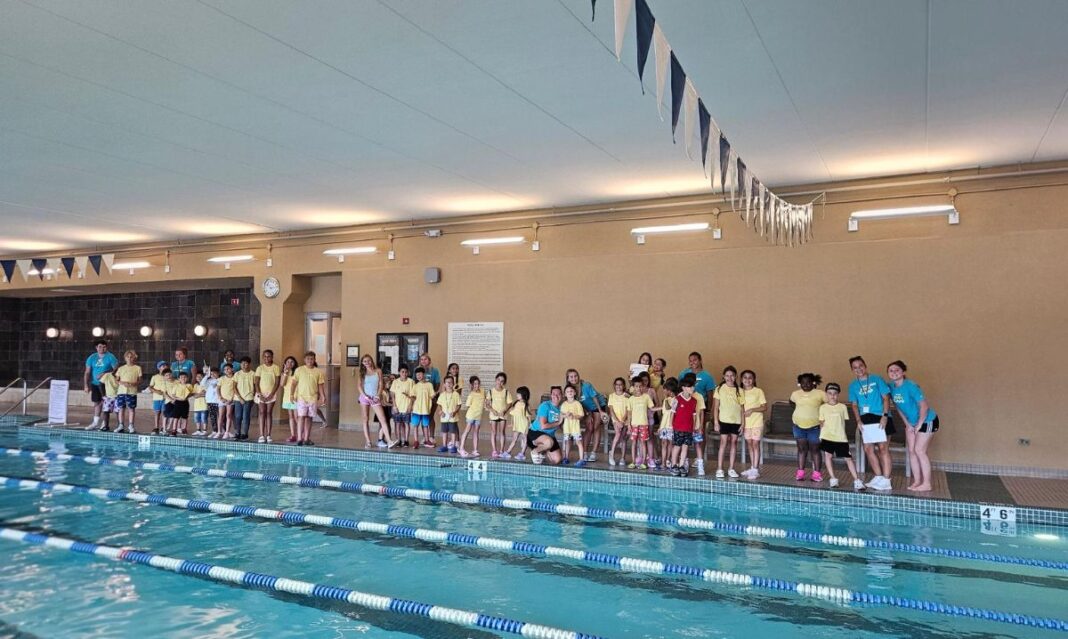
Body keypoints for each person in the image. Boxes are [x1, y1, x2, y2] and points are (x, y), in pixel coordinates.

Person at [887, 361, 939, 492]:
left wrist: (919, 424)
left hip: (927, 420)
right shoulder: (891, 387)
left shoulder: (910, 386)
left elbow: (924, 406)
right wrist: (908, 424)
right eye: (891, 370)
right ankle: (917, 481)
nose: (894, 372)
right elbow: (898, 408)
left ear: (903, 372)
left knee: (919, 451)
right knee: (911, 451)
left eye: (897, 370)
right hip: (911, 422)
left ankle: (927, 483)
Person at [848, 356, 894, 491]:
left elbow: (886, 398)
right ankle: (878, 476)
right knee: (868, 449)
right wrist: (858, 420)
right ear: (852, 370)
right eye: (855, 367)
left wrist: (885, 416)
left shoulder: (877, 379)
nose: (859, 369)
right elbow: (855, 405)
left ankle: (886, 480)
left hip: (880, 417)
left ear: (865, 365)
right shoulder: (853, 385)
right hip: (865, 419)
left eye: (861, 366)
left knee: (883, 448)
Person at [819, 383, 864, 490]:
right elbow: (821, 422)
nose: (832, 395)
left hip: (840, 437)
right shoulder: (823, 407)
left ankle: (857, 480)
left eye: (835, 393)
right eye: (830, 393)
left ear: (838, 394)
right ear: (826, 394)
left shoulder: (842, 407)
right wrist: (820, 435)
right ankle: (833, 479)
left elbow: (843, 422)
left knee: (848, 458)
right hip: (827, 437)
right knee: (828, 456)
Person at [678, 352, 715, 466]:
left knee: (699, 432)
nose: (692, 362)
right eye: (690, 360)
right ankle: (685, 457)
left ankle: (699, 459)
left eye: (695, 360)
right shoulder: (684, 373)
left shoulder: (707, 376)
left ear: (700, 360)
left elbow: (710, 395)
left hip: (700, 409)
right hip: (685, 409)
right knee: (685, 432)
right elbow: (679, 390)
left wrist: (709, 411)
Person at [565, 369, 606, 463]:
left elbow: (594, 398)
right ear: (568, 378)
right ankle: (584, 452)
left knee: (596, 427)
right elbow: (577, 404)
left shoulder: (586, 385)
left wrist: (600, 411)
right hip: (586, 409)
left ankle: (594, 453)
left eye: (575, 376)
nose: (574, 378)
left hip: (598, 405)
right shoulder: (569, 390)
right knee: (589, 427)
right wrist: (587, 414)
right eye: (571, 376)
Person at [790, 373, 826, 482]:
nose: (806, 384)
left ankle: (817, 474)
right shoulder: (795, 394)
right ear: (799, 384)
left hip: (815, 427)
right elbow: (791, 403)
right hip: (798, 427)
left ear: (813, 383)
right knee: (801, 450)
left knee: (815, 450)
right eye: (803, 382)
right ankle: (800, 473)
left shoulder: (820, 393)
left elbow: (828, 405)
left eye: (808, 382)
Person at [358, 355, 398, 449]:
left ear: (372, 361)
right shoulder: (362, 373)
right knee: (365, 419)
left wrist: (378, 395)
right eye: (364, 361)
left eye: (368, 360)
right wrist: (365, 395)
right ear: (362, 363)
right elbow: (359, 386)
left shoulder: (378, 371)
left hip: (375, 398)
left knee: (383, 419)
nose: (367, 362)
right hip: (365, 398)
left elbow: (381, 384)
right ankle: (368, 441)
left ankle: (389, 441)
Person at [713, 366, 743, 479]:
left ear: (735, 377)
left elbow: (742, 408)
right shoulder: (719, 389)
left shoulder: (740, 390)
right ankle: (720, 468)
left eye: (732, 375)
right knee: (723, 443)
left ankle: (731, 468)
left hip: (736, 421)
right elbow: (716, 407)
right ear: (723, 376)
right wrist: (716, 422)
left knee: (734, 443)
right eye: (727, 375)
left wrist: (743, 424)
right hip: (723, 420)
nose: (729, 378)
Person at [83, 339, 119, 430]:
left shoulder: (110, 357)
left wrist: (104, 373)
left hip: (106, 385)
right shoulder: (92, 357)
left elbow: (116, 369)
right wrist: (86, 385)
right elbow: (87, 372)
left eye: (104, 347)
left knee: (105, 403)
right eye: (100, 347)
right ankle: (95, 422)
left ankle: (104, 423)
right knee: (96, 403)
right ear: (96, 348)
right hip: (95, 384)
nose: (102, 349)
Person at [292, 351, 326, 446]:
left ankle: (306, 438)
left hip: (312, 398)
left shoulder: (318, 371)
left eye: (311, 359)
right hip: (301, 397)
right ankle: (299, 438)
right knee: (301, 417)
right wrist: (291, 395)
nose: (310, 361)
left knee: (309, 417)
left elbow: (320, 385)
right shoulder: (299, 370)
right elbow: (294, 383)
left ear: (314, 360)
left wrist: (323, 396)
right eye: (308, 359)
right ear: (304, 360)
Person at [740, 370, 767, 479]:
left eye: (750, 377)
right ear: (741, 380)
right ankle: (752, 467)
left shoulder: (758, 391)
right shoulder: (740, 392)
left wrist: (752, 410)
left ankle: (755, 470)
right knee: (750, 445)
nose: (747, 379)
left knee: (755, 444)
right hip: (746, 424)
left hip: (756, 422)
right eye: (745, 377)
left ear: (754, 380)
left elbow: (764, 407)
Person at [528, 386, 565, 465]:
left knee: (557, 459)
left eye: (558, 394)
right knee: (549, 442)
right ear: (551, 395)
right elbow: (543, 426)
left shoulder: (562, 408)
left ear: (562, 395)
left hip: (549, 435)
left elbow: (562, 426)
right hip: (536, 432)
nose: (556, 396)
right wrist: (559, 422)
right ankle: (535, 451)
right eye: (554, 394)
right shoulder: (545, 406)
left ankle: (543, 451)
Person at [670, 377, 699, 476]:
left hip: (689, 428)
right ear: (683, 388)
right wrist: (671, 426)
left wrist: (694, 427)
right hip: (678, 428)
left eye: (693, 386)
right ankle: (674, 465)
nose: (692, 388)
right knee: (677, 446)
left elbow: (694, 415)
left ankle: (681, 465)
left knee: (685, 447)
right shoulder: (677, 399)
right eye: (690, 387)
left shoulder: (694, 401)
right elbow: (672, 413)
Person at [626, 375, 654, 470]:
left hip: (644, 424)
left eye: (640, 386)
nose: (638, 388)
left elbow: (652, 408)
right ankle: (633, 461)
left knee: (643, 443)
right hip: (634, 424)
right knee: (633, 443)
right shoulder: (630, 399)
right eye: (636, 386)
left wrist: (664, 408)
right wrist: (629, 424)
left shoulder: (646, 397)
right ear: (633, 387)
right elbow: (629, 413)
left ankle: (644, 462)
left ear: (643, 386)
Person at [254, 350, 281, 444]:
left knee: (269, 413)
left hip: (271, 394)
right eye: (265, 356)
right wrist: (259, 394)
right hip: (260, 394)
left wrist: (271, 395)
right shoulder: (260, 368)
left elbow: (277, 383)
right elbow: (256, 382)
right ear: (262, 357)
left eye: (268, 356)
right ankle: (261, 435)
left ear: (272, 357)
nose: (267, 358)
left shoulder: (276, 367)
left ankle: (268, 435)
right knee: (262, 413)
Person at [559, 384, 587, 467]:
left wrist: (573, 416)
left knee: (578, 442)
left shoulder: (577, 404)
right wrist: (566, 415)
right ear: (565, 394)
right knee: (567, 442)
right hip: (567, 428)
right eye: (567, 391)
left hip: (575, 427)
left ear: (575, 393)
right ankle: (566, 457)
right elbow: (562, 415)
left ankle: (581, 459)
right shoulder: (564, 404)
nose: (569, 393)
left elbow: (581, 415)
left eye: (571, 391)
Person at [487, 373, 514, 459]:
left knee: (502, 432)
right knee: (493, 432)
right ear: (496, 380)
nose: (500, 382)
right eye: (498, 380)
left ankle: (501, 450)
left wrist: (505, 410)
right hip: (493, 415)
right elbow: (487, 404)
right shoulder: (491, 391)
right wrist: (492, 410)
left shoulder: (506, 392)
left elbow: (510, 403)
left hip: (503, 415)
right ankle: (494, 450)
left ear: (504, 382)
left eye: (502, 381)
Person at [114, 350, 142, 434]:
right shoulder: (121, 368)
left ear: (134, 358)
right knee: (121, 408)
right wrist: (122, 383)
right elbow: (116, 379)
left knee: (131, 409)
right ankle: (121, 425)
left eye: (131, 357)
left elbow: (140, 380)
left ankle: (131, 425)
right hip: (121, 391)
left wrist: (133, 383)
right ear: (125, 358)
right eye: (128, 357)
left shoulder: (138, 368)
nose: (129, 358)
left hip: (132, 392)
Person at [459, 376, 485, 458]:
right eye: (474, 384)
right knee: (467, 430)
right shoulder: (471, 395)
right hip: (471, 415)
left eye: (477, 383)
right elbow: (467, 405)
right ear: (472, 385)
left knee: (476, 432)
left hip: (478, 416)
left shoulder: (483, 391)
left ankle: (475, 450)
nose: (476, 385)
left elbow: (485, 401)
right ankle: (461, 448)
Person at [389, 364, 415, 448]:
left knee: (406, 424)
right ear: (399, 372)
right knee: (397, 424)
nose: (404, 373)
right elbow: (392, 394)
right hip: (397, 407)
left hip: (406, 407)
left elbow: (413, 395)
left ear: (408, 373)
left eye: (406, 372)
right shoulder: (395, 382)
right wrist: (394, 406)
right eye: (402, 372)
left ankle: (406, 440)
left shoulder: (411, 382)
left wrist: (410, 406)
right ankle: (399, 440)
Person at [606, 377, 630, 466]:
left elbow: (628, 410)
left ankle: (623, 458)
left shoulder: (626, 396)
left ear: (623, 386)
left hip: (625, 420)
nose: (619, 386)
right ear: (614, 386)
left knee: (623, 438)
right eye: (617, 384)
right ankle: (611, 453)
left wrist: (623, 420)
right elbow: (611, 410)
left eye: (621, 384)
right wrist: (617, 421)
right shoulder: (612, 396)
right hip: (615, 420)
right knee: (618, 434)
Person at [502, 386, 531, 461]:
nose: (517, 395)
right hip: (517, 425)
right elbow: (513, 414)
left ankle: (522, 453)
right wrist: (512, 423)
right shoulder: (516, 403)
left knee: (524, 439)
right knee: (514, 439)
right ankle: (508, 452)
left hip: (524, 425)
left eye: (518, 394)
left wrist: (528, 427)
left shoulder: (525, 405)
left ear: (523, 395)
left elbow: (529, 417)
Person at [410, 367, 435, 448]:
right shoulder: (415, 386)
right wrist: (409, 398)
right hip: (416, 410)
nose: (418, 376)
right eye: (417, 375)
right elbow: (413, 397)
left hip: (425, 410)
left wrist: (436, 394)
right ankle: (416, 441)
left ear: (424, 374)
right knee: (415, 425)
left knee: (425, 425)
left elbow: (432, 396)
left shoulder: (429, 385)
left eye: (420, 374)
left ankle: (427, 440)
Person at [435, 376, 461, 454]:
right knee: (444, 432)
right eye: (447, 382)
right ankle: (444, 446)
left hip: (453, 417)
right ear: (444, 384)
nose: (449, 384)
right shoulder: (442, 395)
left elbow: (459, 405)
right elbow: (439, 404)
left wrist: (455, 412)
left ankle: (453, 446)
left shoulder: (456, 394)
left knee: (453, 432)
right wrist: (440, 411)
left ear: (453, 384)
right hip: (444, 418)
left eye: (451, 382)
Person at [657, 378, 678, 471]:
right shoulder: (666, 399)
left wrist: (666, 399)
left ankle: (669, 460)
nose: (663, 391)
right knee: (664, 443)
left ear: (670, 390)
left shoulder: (676, 399)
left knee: (671, 443)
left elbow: (670, 408)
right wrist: (660, 427)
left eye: (665, 389)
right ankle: (663, 462)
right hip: (664, 426)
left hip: (671, 426)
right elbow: (664, 414)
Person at [233, 357, 256, 441]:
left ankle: (244, 433)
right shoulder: (237, 374)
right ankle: (237, 432)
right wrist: (239, 397)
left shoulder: (253, 374)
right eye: (242, 363)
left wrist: (254, 397)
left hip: (248, 398)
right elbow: (234, 386)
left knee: (245, 416)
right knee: (238, 416)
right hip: (238, 399)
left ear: (249, 364)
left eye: (245, 363)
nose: (243, 365)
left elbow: (255, 386)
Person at [278, 356, 299, 443]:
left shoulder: (297, 372)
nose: (290, 364)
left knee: (297, 417)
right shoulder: (284, 373)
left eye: (292, 362)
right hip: (287, 397)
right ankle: (293, 435)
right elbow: (282, 384)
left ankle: (301, 435)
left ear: (295, 364)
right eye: (288, 362)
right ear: (285, 364)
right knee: (291, 416)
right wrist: (286, 373)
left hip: (296, 396)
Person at [166, 371, 193, 436]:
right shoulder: (176, 385)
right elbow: (173, 395)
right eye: (181, 377)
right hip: (178, 403)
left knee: (185, 417)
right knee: (176, 417)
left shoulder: (189, 385)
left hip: (185, 403)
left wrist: (185, 397)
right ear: (178, 379)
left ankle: (184, 429)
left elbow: (191, 393)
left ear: (187, 378)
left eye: (185, 377)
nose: (183, 378)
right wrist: (179, 399)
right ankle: (174, 430)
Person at [217, 364, 237, 440]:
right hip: (222, 400)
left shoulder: (235, 378)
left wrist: (231, 399)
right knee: (221, 416)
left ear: (232, 369)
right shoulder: (221, 378)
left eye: (228, 369)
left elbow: (235, 390)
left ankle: (227, 432)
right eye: (225, 369)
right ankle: (219, 432)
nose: (226, 371)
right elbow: (218, 389)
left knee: (228, 415)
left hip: (230, 400)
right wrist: (220, 398)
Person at [148, 361, 168, 434]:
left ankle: (163, 427)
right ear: (159, 368)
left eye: (166, 366)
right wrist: (156, 391)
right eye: (163, 366)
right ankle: (156, 427)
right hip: (157, 398)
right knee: (157, 413)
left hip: (166, 398)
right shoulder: (155, 377)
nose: (165, 367)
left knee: (164, 413)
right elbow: (150, 387)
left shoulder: (168, 376)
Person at [97, 366, 119, 431]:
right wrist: (103, 395)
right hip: (108, 396)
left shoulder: (122, 376)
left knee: (118, 412)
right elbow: (100, 384)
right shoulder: (107, 375)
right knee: (106, 411)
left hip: (118, 397)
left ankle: (119, 426)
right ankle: (106, 426)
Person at [204, 367, 222, 439]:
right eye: (211, 373)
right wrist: (206, 375)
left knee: (219, 417)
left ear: (218, 373)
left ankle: (220, 430)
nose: (212, 375)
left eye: (214, 373)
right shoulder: (209, 380)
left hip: (217, 401)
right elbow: (202, 384)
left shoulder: (220, 380)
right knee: (212, 417)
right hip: (210, 401)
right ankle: (215, 430)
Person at [191, 371, 209, 436]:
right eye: (197, 377)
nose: (198, 378)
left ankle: (204, 430)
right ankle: (198, 430)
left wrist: (198, 394)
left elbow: (206, 394)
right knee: (197, 418)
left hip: (204, 404)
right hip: (197, 405)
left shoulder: (206, 384)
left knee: (204, 418)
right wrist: (200, 394)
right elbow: (194, 396)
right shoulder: (195, 385)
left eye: (200, 376)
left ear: (203, 377)